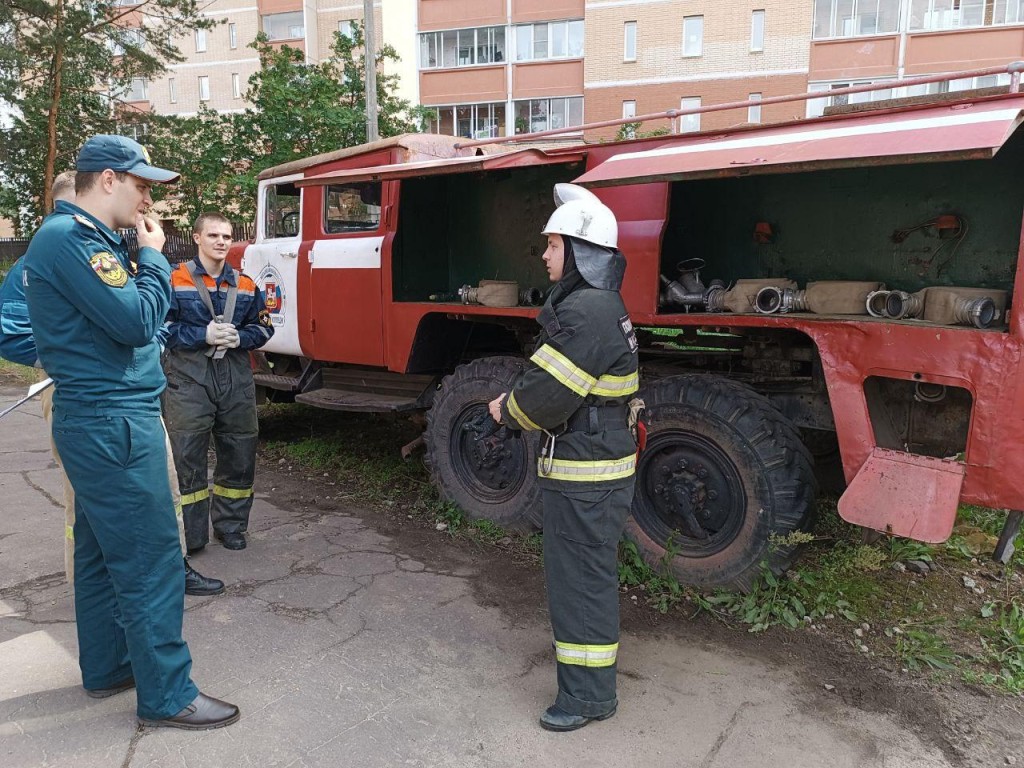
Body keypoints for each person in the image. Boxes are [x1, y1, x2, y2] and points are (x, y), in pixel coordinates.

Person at [23, 134, 239, 729]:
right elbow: (138, 320)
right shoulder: (72, 240)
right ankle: (169, 695)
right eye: (142, 185)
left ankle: (110, 666)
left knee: (97, 554)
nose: (148, 201)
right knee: (152, 560)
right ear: (109, 180)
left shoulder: (83, 239)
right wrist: (152, 258)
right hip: (113, 422)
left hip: (102, 420)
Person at [0, 172, 223, 598]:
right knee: (85, 502)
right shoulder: (45, 258)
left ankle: (170, 568)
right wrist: (73, 353)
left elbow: (145, 319)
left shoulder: (108, 251)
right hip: (76, 390)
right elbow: (9, 330)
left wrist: (146, 344)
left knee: (162, 484)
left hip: (128, 387)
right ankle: (95, 585)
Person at [488, 184, 640, 732]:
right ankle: (588, 689)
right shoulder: (596, 306)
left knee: (579, 583)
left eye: (553, 245)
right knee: (586, 576)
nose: (546, 255)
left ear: (579, 251)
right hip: (595, 467)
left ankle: (585, 699)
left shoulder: (586, 312)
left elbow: (545, 397)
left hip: (586, 475)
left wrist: (506, 409)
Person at [159, 212, 273, 553]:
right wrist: (201, 334)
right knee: (187, 456)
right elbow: (159, 328)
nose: (221, 241)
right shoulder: (173, 280)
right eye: (213, 235)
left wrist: (241, 337)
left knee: (240, 452)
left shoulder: (247, 284)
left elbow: (265, 327)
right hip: (188, 379)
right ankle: (191, 537)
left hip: (235, 378)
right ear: (197, 238)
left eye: (226, 236)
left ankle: (231, 528)